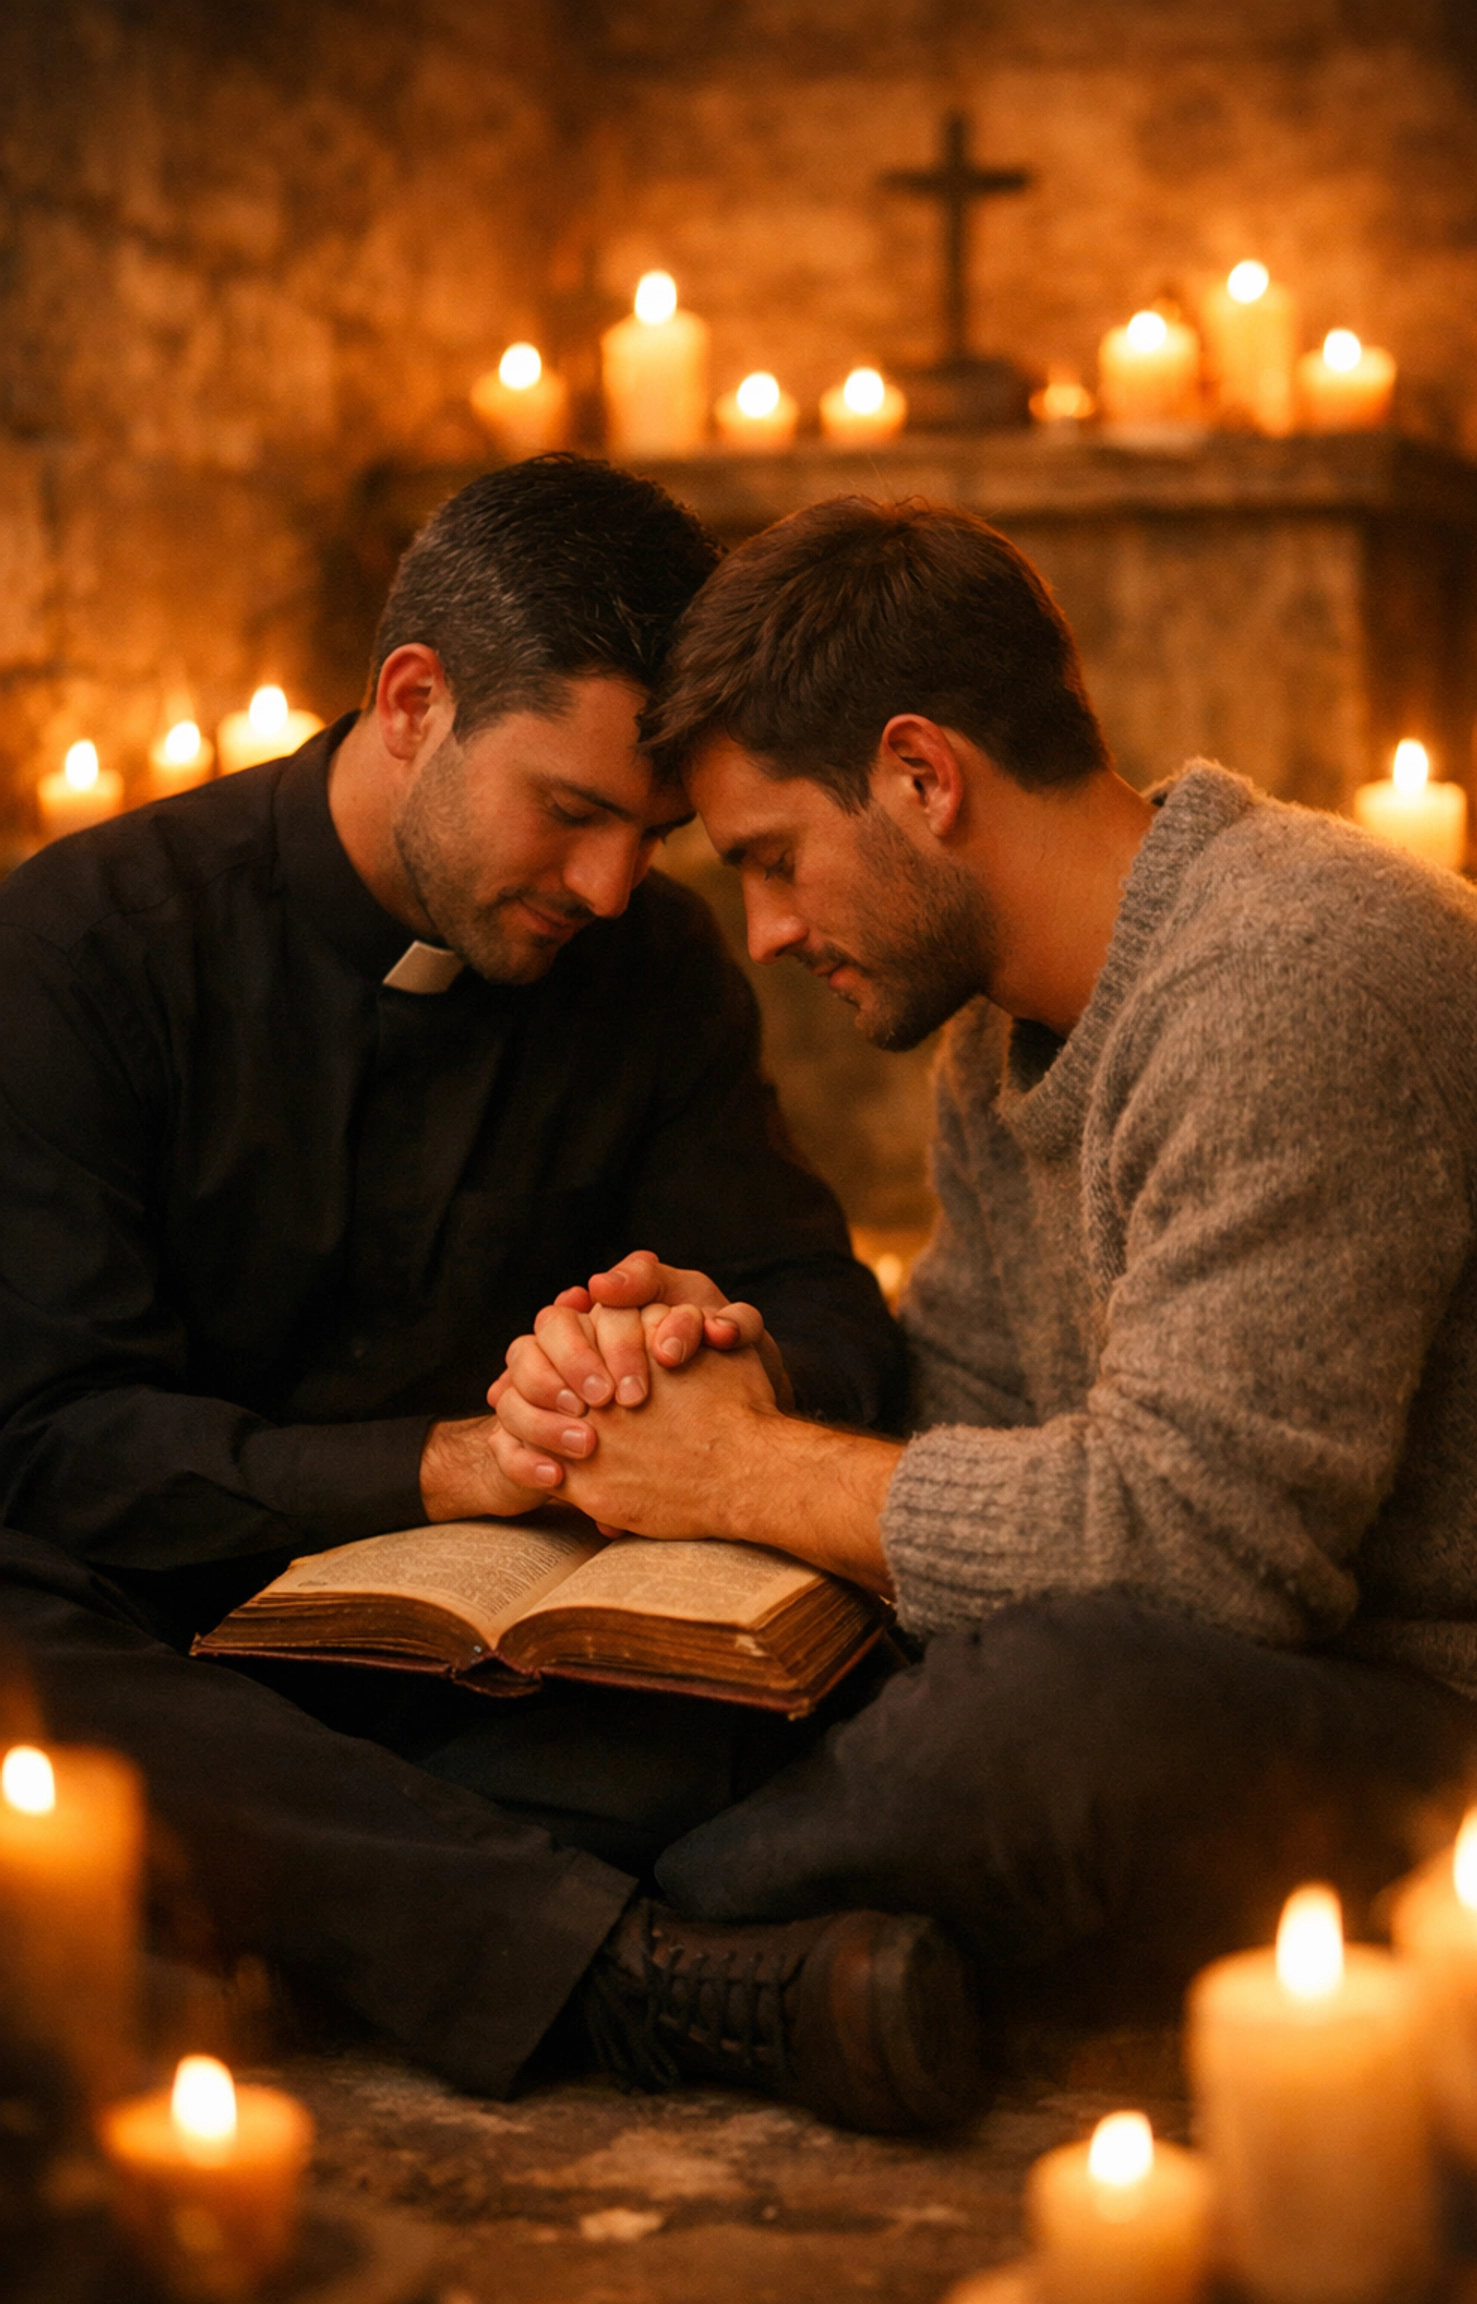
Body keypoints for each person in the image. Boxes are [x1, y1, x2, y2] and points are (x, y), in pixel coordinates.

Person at [0, 459, 982, 2140]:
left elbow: (828, 1309)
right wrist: (448, 1463)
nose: (609, 888)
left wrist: (707, 1344)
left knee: (820, 1678)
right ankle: (633, 1978)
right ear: (414, 704)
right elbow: (49, 1447)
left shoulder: (647, 969)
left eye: (650, 835)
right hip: (159, 1644)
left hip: (484, 1688)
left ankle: (303, 1914)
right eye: (570, 811)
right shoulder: (83, 947)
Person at [491, 494, 1477, 2018]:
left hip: (1470, 1719)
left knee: (1048, 1720)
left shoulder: (1291, 980)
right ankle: (711, 1938)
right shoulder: (995, 1034)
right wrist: (734, 1376)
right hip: (1260, 1669)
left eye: (776, 858)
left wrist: (739, 1469)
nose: (765, 932)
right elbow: (962, 1428)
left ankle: (634, 1950)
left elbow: (1202, 1558)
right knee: (661, 1693)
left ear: (922, 775)